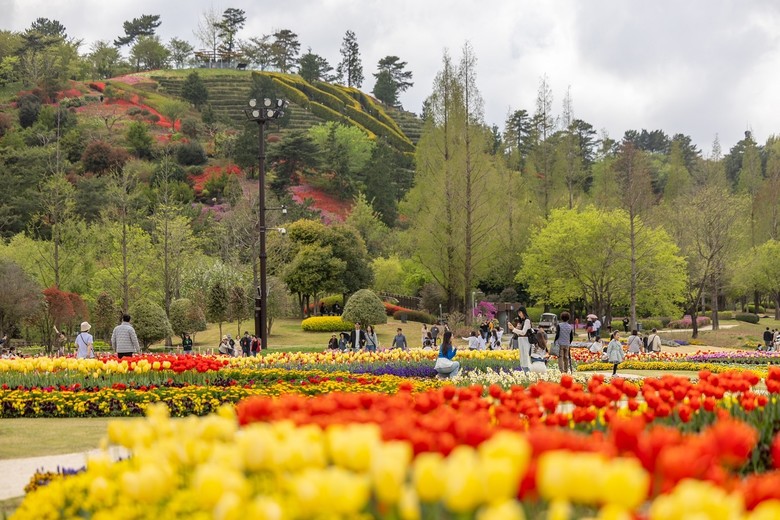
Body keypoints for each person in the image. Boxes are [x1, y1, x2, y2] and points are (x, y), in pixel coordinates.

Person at [509, 306, 533, 373]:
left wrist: (513, 329)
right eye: (518, 313)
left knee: (525, 357)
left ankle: (527, 372)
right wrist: (515, 328)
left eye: (520, 312)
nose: (519, 314)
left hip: (525, 340)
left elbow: (523, 332)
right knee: (522, 358)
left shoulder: (527, 320)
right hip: (521, 340)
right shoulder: (522, 321)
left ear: (523, 312)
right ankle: (524, 371)